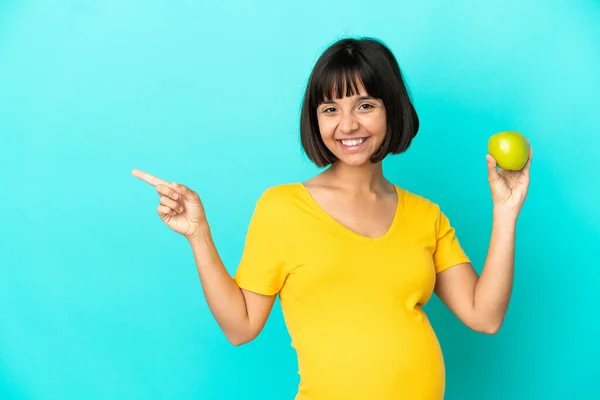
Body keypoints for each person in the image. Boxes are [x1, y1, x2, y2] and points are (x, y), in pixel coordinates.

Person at [132, 37, 532, 400]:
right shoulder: (283, 207)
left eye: (365, 105)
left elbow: (485, 316)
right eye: (330, 109)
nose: (348, 125)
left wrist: (505, 211)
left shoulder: (426, 215)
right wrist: (199, 235)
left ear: (391, 108)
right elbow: (241, 328)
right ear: (315, 118)